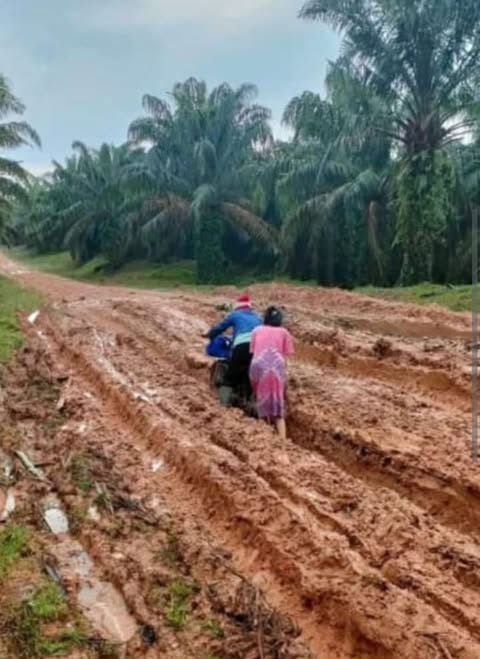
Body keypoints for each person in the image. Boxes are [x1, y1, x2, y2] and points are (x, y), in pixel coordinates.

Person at [249, 306, 294, 440]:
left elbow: (253, 352)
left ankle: (266, 436)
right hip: (276, 367)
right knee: (278, 409)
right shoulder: (284, 332)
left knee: (261, 401)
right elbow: (286, 356)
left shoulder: (256, 330)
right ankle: (282, 441)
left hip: (258, 366)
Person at [205, 293, 262, 389]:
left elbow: (220, 327)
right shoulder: (258, 317)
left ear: (237, 307)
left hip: (241, 346)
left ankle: (224, 395)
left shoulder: (235, 315)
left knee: (230, 377)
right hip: (257, 349)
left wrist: (210, 335)